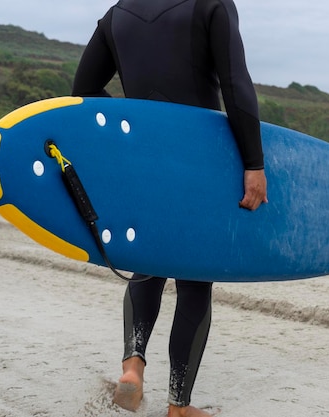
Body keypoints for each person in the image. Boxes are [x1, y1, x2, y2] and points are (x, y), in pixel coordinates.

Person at [72, 0, 267, 416]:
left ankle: (133, 365)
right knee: (195, 279)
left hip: (142, 158)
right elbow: (235, 85)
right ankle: (179, 405)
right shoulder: (211, 5)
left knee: (149, 263)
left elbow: (84, 89)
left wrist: (131, 128)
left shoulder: (117, 14)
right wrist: (254, 163)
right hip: (198, 161)